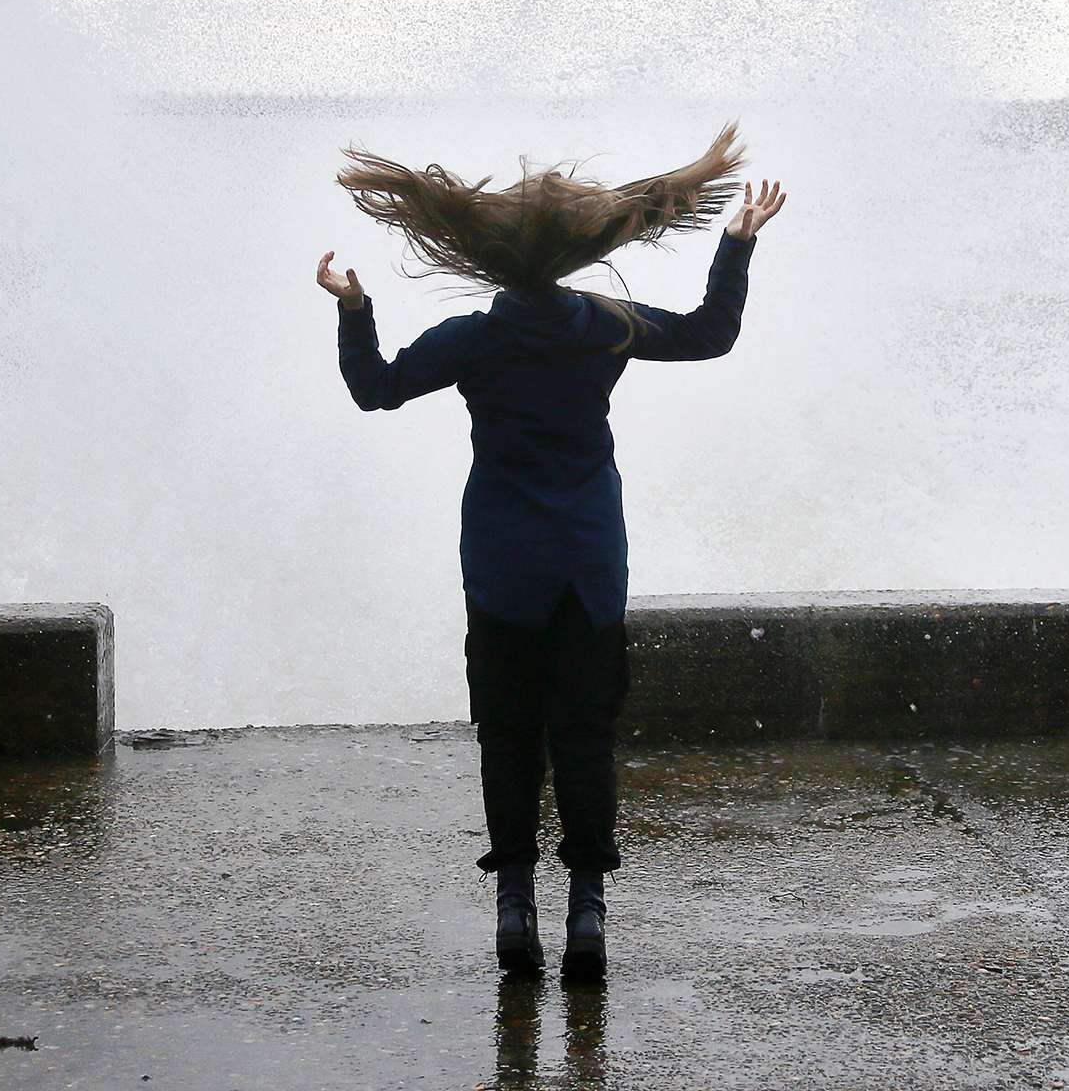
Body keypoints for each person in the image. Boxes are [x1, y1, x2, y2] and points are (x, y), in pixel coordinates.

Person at [315, 124, 785, 980]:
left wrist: (353, 306)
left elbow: (375, 389)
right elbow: (711, 333)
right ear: (575, 255)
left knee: (507, 737)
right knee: (586, 736)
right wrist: (736, 246)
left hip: (501, 564)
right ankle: (588, 919)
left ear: (490, 258)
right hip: (589, 564)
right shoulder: (603, 325)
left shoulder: (472, 339)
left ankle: (512, 911)